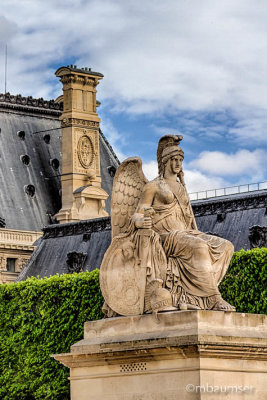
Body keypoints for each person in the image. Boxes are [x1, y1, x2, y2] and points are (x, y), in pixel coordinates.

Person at [132, 136, 235, 311]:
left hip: (185, 234)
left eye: (180, 160)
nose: (178, 163)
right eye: (174, 160)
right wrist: (142, 221)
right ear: (165, 162)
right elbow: (137, 213)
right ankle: (213, 299)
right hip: (166, 237)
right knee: (199, 247)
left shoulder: (181, 187)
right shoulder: (153, 186)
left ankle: (196, 297)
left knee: (226, 246)